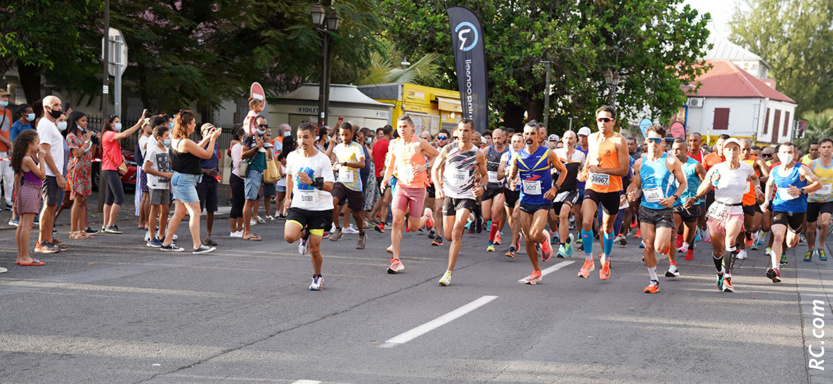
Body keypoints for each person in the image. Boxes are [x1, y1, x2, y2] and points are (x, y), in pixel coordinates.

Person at [687, 138, 760, 292]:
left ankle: (728, 277)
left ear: (739, 152)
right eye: (729, 149)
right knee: (718, 250)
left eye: (735, 149)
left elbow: (754, 178)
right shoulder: (716, 168)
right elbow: (705, 185)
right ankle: (720, 272)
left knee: (730, 241)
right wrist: (695, 198)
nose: (732, 152)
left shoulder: (746, 168)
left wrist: (758, 189)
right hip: (718, 210)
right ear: (724, 152)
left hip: (736, 210)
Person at [627, 127, 687, 294]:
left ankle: (665, 242)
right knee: (647, 245)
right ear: (646, 142)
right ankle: (653, 280)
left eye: (657, 140)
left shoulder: (670, 161)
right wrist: (633, 195)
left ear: (663, 143)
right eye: (650, 140)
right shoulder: (639, 163)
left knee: (660, 248)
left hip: (664, 210)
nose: (653, 144)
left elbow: (683, 184)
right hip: (646, 208)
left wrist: (673, 199)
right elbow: (639, 188)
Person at [508, 121, 566, 284]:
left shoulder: (548, 154)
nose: (529, 137)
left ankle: (543, 238)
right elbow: (512, 176)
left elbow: (563, 171)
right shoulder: (518, 156)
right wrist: (511, 181)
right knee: (527, 239)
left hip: (543, 200)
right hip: (526, 199)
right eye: (526, 134)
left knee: (534, 235)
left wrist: (555, 188)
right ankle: (536, 271)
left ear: (539, 136)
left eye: (533, 134)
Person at [380, 115, 439, 273]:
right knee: (396, 221)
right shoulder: (394, 144)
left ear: (412, 128)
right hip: (401, 186)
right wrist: (385, 179)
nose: (401, 129)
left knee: (412, 226)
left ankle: (427, 217)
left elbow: (437, 156)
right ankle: (396, 260)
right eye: (399, 127)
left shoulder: (419, 143)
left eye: (405, 126)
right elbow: (391, 166)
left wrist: (425, 166)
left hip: (417, 188)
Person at [577, 106, 629, 280]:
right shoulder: (592, 138)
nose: (603, 123)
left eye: (606, 120)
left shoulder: (619, 141)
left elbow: (624, 170)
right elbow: (591, 159)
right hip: (592, 186)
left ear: (613, 122)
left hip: (612, 189)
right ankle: (589, 259)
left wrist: (603, 171)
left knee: (606, 227)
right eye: (600, 119)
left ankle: (605, 260)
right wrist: (585, 171)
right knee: (586, 221)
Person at [160, 110, 222, 254]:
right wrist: (213, 139)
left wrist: (208, 138)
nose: (195, 125)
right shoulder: (186, 142)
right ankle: (197, 245)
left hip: (180, 179)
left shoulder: (177, 140)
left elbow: (196, 148)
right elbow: (206, 154)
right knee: (196, 211)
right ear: (187, 125)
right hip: (185, 181)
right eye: (193, 123)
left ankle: (166, 242)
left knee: (179, 213)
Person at [432, 119, 485, 286]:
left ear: (472, 133)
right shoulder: (449, 149)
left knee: (456, 231)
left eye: (466, 131)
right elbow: (434, 168)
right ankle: (467, 218)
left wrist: (482, 187)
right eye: (460, 130)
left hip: (467, 195)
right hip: (449, 195)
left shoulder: (478, 153)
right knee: (448, 235)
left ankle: (448, 272)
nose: (462, 134)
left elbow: (484, 175)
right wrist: (438, 187)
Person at [283, 122, 336, 290]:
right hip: (299, 205)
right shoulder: (292, 156)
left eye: (306, 137)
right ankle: (304, 234)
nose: (302, 141)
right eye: (299, 137)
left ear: (314, 137)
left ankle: (317, 277)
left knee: (314, 249)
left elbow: (329, 186)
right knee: (290, 236)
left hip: (320, 209)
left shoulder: (323, 159)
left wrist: (312, 182)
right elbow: (290, 176)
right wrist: (287, 198)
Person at [763, 143, 820, 282]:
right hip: (779, 207)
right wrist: (766, 200)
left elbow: (818, 184)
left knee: (790, 243)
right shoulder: (775, 170)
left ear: (795, 154)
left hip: (798, 210)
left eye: (790, 152)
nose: (787, 155)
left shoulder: (801, 169)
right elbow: (770, 184)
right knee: (777, 236)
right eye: (784, 152)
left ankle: (793, 234)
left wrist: (801, 190)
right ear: (778, 154)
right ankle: (775, 268)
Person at [100, 110, 148, 234]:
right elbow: (124, 135)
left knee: (109, 198)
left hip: (110, 169)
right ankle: (110, 224)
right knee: (119, 197)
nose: (119, 124)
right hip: (110, 169)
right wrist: (138, 125)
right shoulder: (108, 134)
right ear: (110, 124)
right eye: (116, 122)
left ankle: (106, 224)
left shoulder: (109, 135)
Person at [35, 96, 68, 253]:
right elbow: (45, 153)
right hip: (49, 174)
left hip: (53, 173)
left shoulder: (51, 125)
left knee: (53, 205)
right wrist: (58, 174)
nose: (59, 107)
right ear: (46, 107)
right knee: (48, 206)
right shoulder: (45, 125)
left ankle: (48, 238)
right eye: (55, 105)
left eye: (60, 105)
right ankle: (42, 242)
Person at [329, 122, 368, 249]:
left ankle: (362, 234)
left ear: (351, 133)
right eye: (341, 135)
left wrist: (345, 163)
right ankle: (338, 229)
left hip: (355, 185)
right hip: (341, 182)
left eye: (346, 134)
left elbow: (362, 164)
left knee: (356, 214)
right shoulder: (338, 147)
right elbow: (333, 160)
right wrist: (334, 165)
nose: (344, 137)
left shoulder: (357, 147)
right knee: (332, 202)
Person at [12, 130, 48, 264]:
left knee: (22, 224)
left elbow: (17, 177)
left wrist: (17, 195)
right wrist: (43, 159)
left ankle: (20, 256)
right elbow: (42, 175)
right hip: (31, 190)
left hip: (25, 190)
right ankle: (25, 256)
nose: (39, 145)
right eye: (37, 143)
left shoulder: (25, 157)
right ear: (29, 144)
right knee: (27, 225)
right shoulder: (27, 159)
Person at [672, 138, 705, 261]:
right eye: (674, 149)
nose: (675, 152)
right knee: (672, 228)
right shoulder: (669, 164)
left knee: (690, 232)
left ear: (686, 150)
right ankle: (670, 249)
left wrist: (696, 197)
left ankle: (688, 247)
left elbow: (706, 183)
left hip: (691, 203)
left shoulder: (695, 165)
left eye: (679, 149)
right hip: (676, 202)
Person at [553, 130, 585, 258]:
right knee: (559, 219)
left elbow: (583, 171)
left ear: (575, 140)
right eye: (566, 138)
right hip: (557, 190)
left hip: (572, 190)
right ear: (562, 139)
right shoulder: (555, 154)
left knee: (563, 214)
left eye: (571, 138)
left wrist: (583, 175)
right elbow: (546, 169)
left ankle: (561, 247)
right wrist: (552, 171)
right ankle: (567, 241)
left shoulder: (580, 155)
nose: (569, 141)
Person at [737, 139, 769, 260]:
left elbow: (768, 176)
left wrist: (755, 179)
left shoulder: (756, 161)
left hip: (750, 199)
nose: (745, 152)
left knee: (749, 227)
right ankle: (742, 249)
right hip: (736, 198)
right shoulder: (733, 161)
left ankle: (749, 234)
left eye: (748, 149)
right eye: (743, 149)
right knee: (737, 225)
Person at [65, 111, 96, 239]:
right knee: (77, 200)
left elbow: (90, 154)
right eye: (83, 120)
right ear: (76, 122)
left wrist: (93, 141)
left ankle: (82, 229)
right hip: (77, 169)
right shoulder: (71, 136)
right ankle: (73, 231)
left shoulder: (84, 136)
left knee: (84, 200)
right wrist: (87, 141)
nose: (86, 123)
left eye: (86, 120)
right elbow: (77, 153)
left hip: (86, 169)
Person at [240, 106, 268, 241]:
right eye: (260, 125)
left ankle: (247, 231)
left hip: (258, 170)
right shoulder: (248, 137)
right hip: (252, 170)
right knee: (249, 201)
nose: (263, 127)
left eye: (265, 125)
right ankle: (246, 231)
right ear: (254, 124)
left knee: (252, 200)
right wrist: (256, 147)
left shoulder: (261, 137)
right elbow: (242, 154)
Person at [143, 125, 173, 247]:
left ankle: (161, 235)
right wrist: (163, 174)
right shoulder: (153, 150)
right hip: (155, 183)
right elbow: (146, 168)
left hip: (165, 184)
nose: (169, 138)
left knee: (165, 210)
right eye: (166, 136)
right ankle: (151, 237)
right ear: (159, 138)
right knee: (154, 209)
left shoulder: (167, 150)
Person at [805, 138, 833, 262]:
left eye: (829, 147)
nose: (826, 149)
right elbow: (804, 180)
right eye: (824, 147)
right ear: (820, 149)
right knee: (810, 229)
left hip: (828, 200)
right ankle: (810, 248)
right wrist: (809, 188)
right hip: (812, 200)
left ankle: (821, 247)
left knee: (825, 224)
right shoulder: (812, 164)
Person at [498, 132, 524, 258]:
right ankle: (517, 235)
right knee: (511, 219)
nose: (516, 144)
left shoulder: (527, 156)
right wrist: (507, 173)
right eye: (514, 141)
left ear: (524, 144)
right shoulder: (505, 156)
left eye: (519, 141)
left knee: (515, 215)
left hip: (522, 190)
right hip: (509, 190)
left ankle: (513, 245)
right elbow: (499, 175)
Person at [195, 123, 221, 246]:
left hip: (213, 180)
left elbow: (217, 160)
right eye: (209, 130)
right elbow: (194, 164)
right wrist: (206, 171)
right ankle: (197, 237)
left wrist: (217, 171)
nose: (212, 132)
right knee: (198, 209)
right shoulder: (199, 145)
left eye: (213, 129)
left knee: (211, 209)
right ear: (202, 133)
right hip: (201, 180)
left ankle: (208, 236)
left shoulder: (216, 145)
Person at [483, 128, 509, 252]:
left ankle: (491, 241)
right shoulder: (487, 150)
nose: (497, 141)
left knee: (495, 213)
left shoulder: (508, 151)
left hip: (500, 186)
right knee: (486, 216)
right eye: (494, 138)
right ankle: (491, 228)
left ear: (503, 138)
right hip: (488, 185)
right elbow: (478, 165)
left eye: (499, 138)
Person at [370, 125, 392, 232]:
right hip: (386, 174)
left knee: (383, 197)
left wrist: (378, 166)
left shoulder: (377, 143)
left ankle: (372, 216)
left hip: (378, 173)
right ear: (391, 133)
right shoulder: (389, 145)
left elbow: (372, 157)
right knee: (386, 199)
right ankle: (383, 221)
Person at [229, 126, 246, 237]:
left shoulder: (245, 147)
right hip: (237, 177)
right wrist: (247, 158)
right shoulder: (237, 147)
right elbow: (237, 163)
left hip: (245, 177)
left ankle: (240, 229)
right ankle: (234, 230)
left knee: (243, 203)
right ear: (240, 137)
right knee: (236, 203)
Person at [0, 90, 14, 210]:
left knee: (9, 177)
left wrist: (10, 145)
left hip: (7, 150)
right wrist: (7, 142)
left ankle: (9, 202)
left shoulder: (8, 112)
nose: (5, 99)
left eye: (6, 97)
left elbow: (10, 129)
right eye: (2, 97)